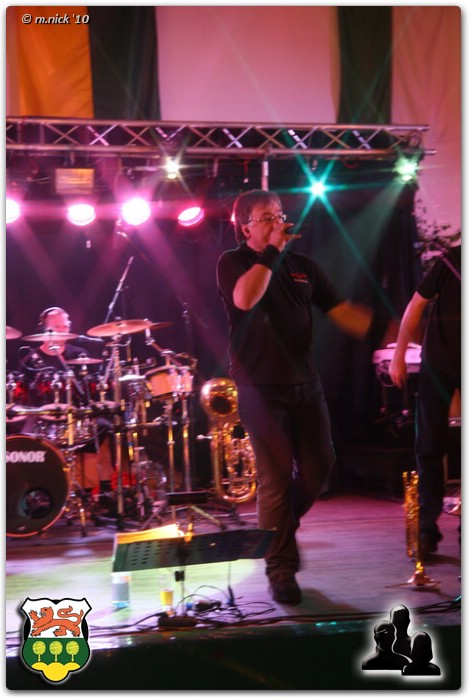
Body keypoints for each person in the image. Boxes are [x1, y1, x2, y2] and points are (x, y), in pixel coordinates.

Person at [216, 189, 373, 605]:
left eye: (279, 215)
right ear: (246, 227)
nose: (277, 222)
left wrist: (385, 331)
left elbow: (339, 309)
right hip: (260, 387)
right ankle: (281, 569)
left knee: (321, 467)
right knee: (276, 477)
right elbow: (245, 298)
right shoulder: (233, 262)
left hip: (305, 382)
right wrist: (270, 252)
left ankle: (277, 528)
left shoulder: (303, 266)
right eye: (266, 217)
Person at [389, 245, 461, 558]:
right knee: (430, 445)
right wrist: (399, 354)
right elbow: (416, 305)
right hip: (439, 365)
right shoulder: (453, 260)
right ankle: (426, 530)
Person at [18, 306, 115, 494]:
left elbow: (90, 387)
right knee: (25, 441)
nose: (63, 330)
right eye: (57, 326)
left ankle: (103, 492)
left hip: (76, 414)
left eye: (65, 326)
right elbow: (23, 393)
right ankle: (38, 489)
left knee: (106, 426)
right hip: (43, 416)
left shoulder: (79, 354)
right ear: (44, 329)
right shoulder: (31, 359)